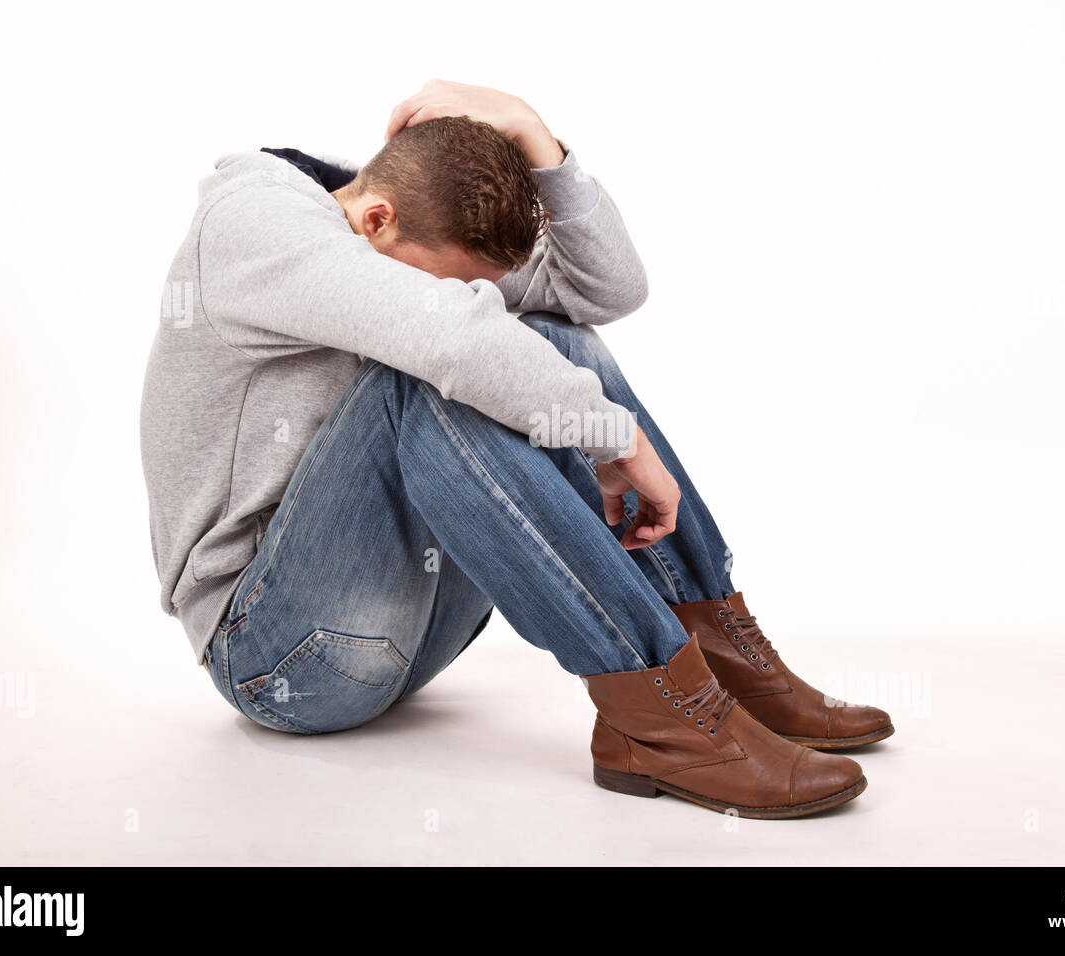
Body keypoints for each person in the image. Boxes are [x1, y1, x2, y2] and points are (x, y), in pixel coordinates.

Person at [140, 79, 893, 819]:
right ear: (375, 220)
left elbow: (605, 292)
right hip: (280, 659)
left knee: (550, 338)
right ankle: (669, 716)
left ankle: (722, 657)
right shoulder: (254, 227)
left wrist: (542, 143)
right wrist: (612, 435)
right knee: (436, 378)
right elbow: (451, 338)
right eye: (445, 285)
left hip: (418, 632)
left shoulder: (399, 222)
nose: (456, 297)